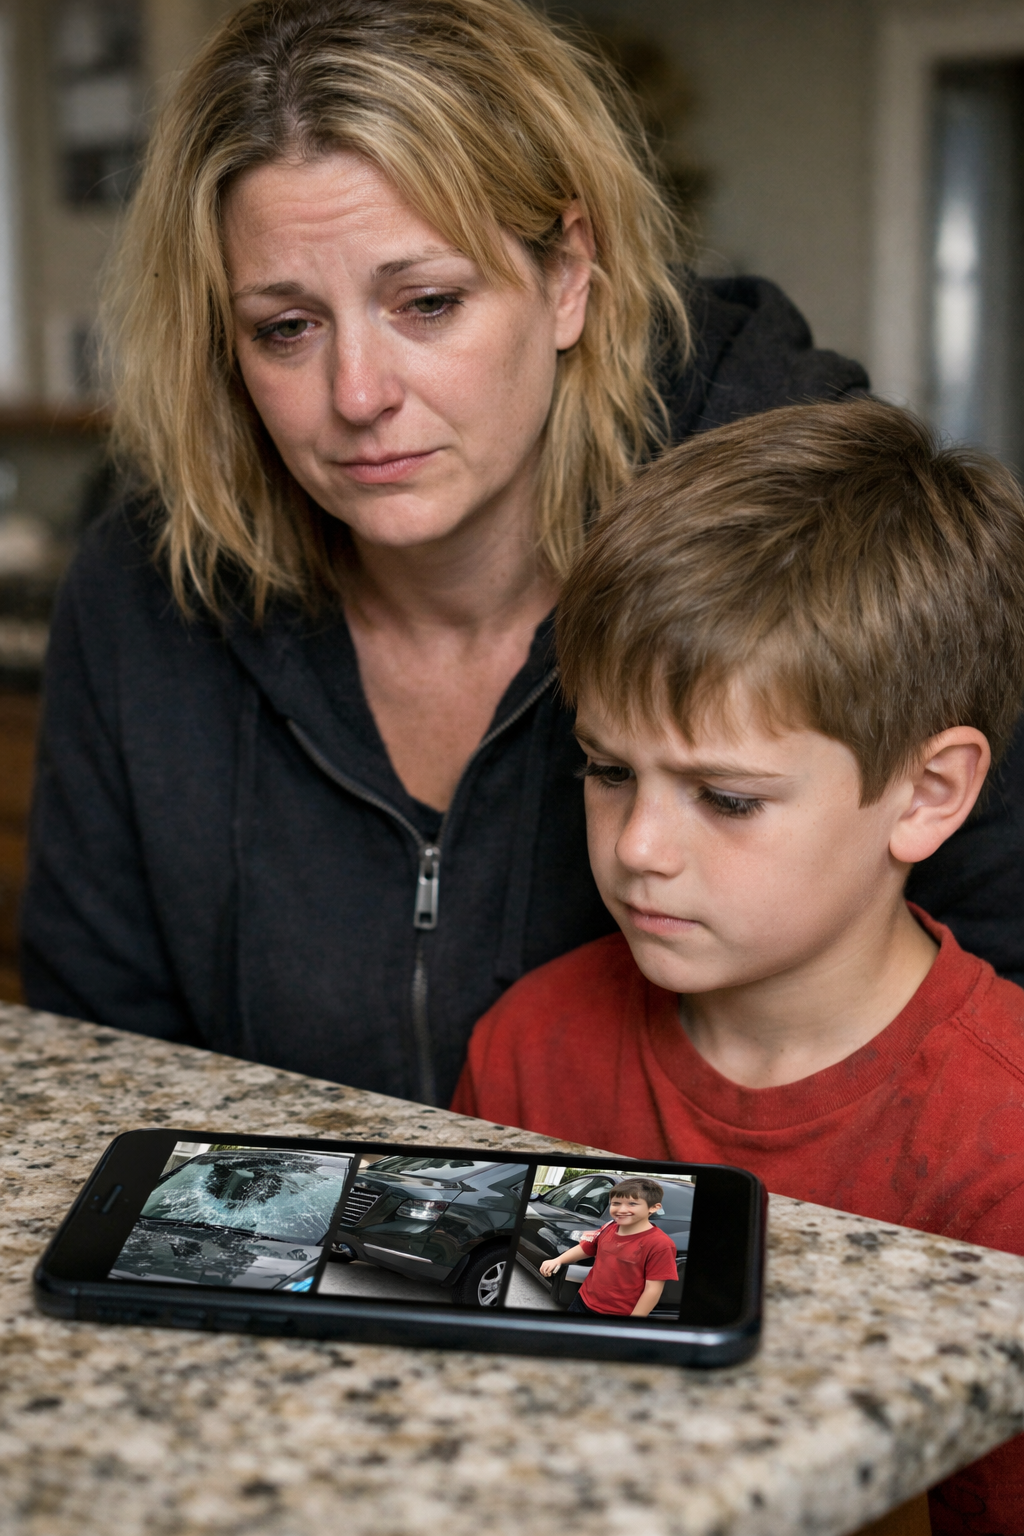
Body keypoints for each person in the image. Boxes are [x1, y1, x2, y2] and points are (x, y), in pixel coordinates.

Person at [19, 0, 1018, 1108]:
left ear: (567, 275)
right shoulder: (145, 590)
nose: (358, 395)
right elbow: (103, 1067)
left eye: (427, 303)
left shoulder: (811, 537)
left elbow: (996, 989)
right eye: (285, 328)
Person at [451, 399, 1024, 1533]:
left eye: (724, 797)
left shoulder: (1000, 1142)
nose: (638, 848)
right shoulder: (529, 1047)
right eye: (609, 771)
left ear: (927, 794)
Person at [539, 1178, 678, 1318]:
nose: (621, 1210)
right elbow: (587, 1248)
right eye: (616, 1203)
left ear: (653, 1207)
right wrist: (558, 1260)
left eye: (632, 1204)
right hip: (582, 1301)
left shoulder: (660, 1244)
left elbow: (652, 1290)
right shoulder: (609, 1227)